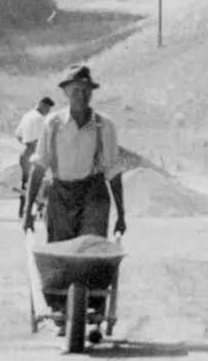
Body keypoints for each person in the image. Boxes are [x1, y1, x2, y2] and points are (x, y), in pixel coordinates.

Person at [34, 65, 127, 243]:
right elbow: (39, 166)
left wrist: (121, 215)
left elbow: (114, 172)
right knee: (61, 254)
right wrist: (28, 212)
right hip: (60, 196)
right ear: (66, 93)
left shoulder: (104, 125)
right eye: (76, 91)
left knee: (90, 253)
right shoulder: (52, 123)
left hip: (93, 195)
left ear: (91, 93)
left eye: (86, 91)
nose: (82, 96)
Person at [15, 95, 54, 226]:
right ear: (43, 105)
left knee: (26, 183)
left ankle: (23, 210)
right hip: (35, 152)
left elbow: (18, 135)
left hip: (25, 151)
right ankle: (38, 211)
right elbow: (41, 140)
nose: (48, 111)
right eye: (48, 108)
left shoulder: (27, 115)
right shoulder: (41, 119)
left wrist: (26, 143)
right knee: (39, 183)